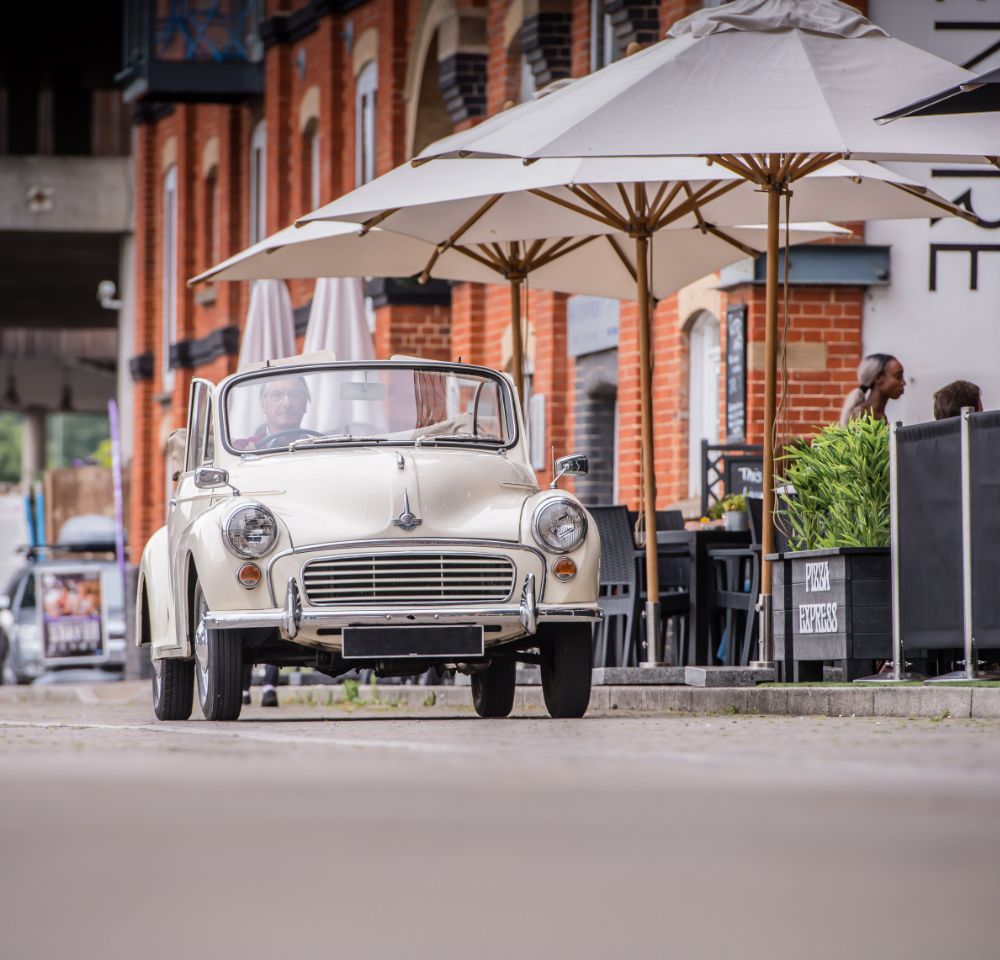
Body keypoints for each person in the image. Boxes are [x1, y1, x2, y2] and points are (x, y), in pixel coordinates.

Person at [233, 376, 312, 450]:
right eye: (277, 395)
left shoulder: (319, 449)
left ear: (305, 404)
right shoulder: (242, 448)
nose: (287, 404)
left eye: (295, 395)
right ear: (263, 405)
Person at [838, 353, 905, 426]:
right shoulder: (860, 414)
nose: (903, 383)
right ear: (879, 378)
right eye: (898, 377)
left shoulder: (881, 416)